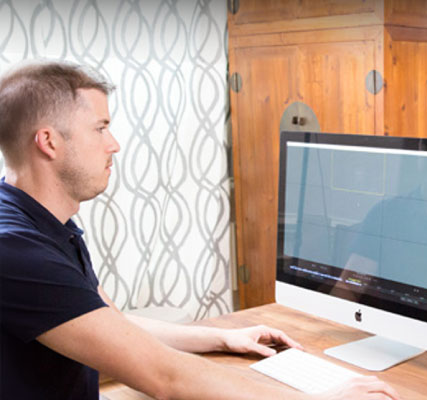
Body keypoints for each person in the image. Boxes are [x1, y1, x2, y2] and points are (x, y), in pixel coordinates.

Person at [0, 61, 401, 400]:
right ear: (49, 142)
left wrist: (223, 339)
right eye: (100, 128)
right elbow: (165, 376)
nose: (114, 144)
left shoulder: (44, 223)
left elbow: (109, 323)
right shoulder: (16, 250)